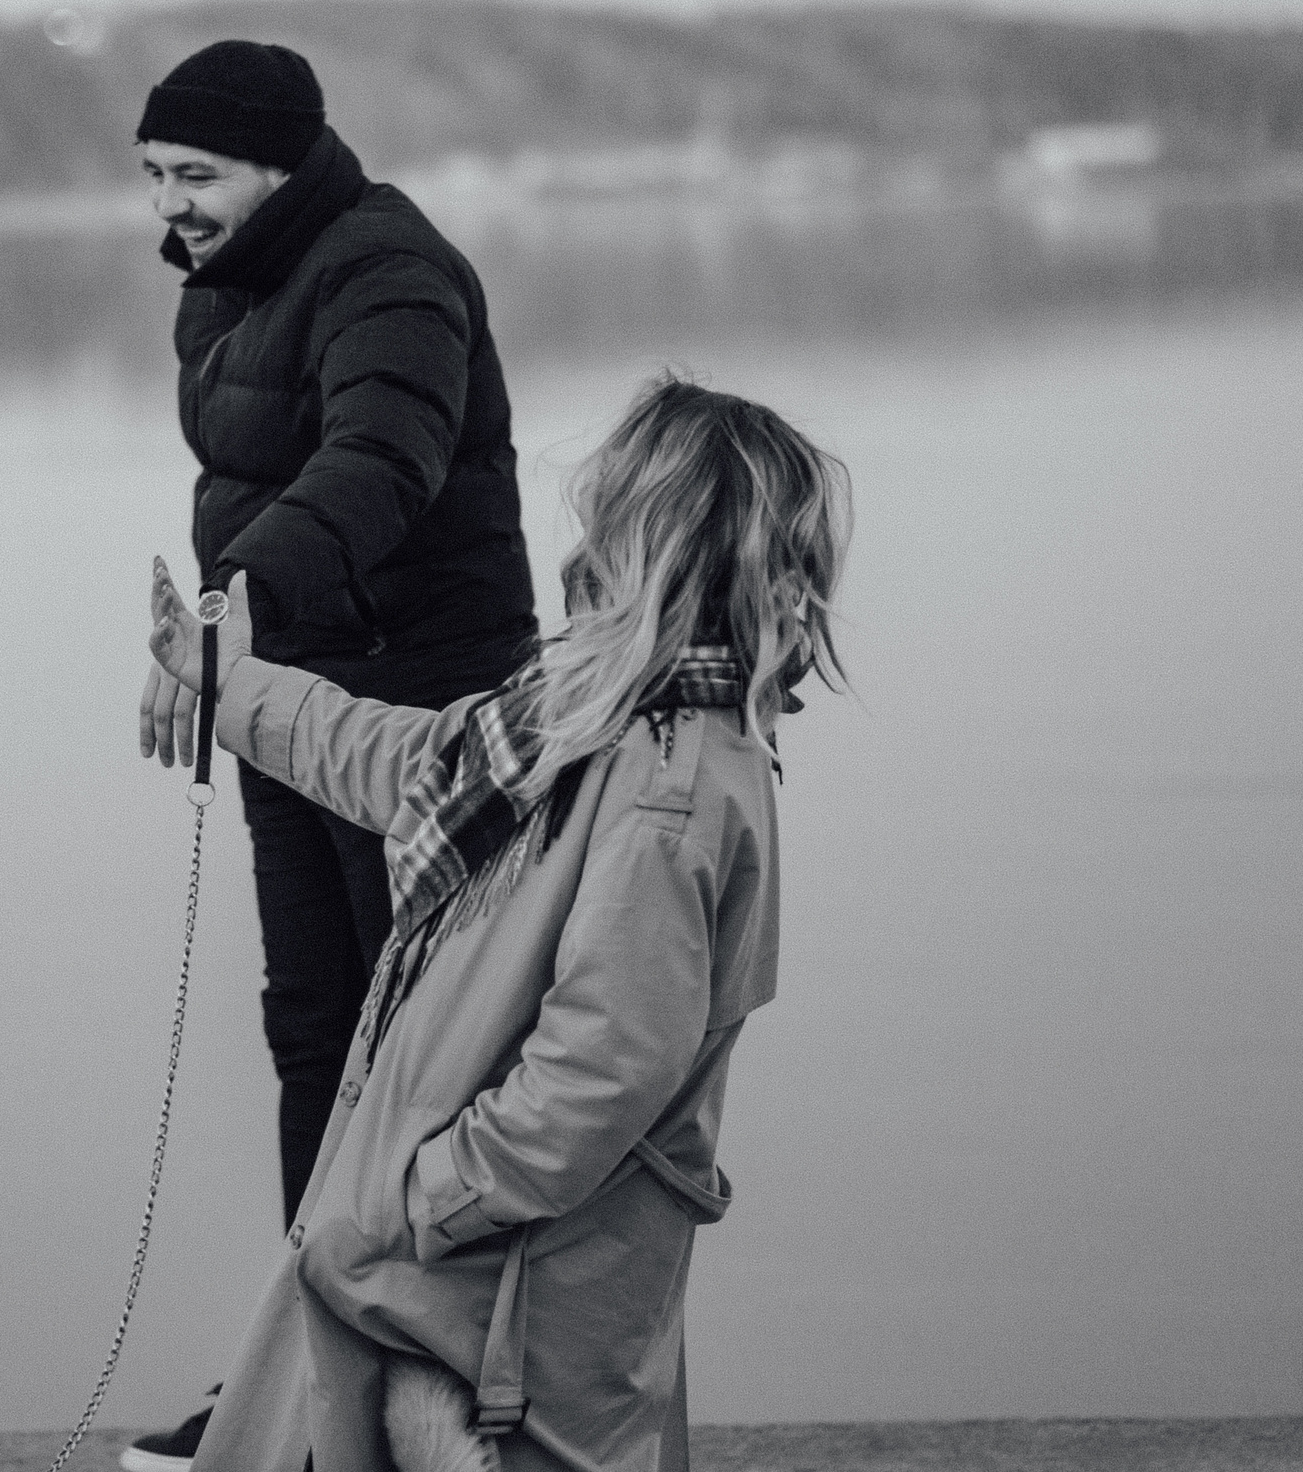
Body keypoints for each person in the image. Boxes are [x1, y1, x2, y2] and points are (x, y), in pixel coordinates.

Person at [143, 376, 849, 1472]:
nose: (583, 541)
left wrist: (414, 1196)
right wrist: (230, 686)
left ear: (653, 544)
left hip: (501, 1297)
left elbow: (598, 1072)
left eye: (606, 514)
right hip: (452, 1272)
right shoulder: (576, 719)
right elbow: (406, 761)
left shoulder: (669, 791)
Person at [127, 40, 540, 1471]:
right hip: (287, 701)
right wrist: (221, 664)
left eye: (197, 174)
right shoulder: (233, 281)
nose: (169, 203)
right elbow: (248, 482)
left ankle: (424, 1393)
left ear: (284, 164)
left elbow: (382, 459)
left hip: (421, 720)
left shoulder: (388, 272)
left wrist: (240, 613)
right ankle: (304, 1381)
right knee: (313, 1034)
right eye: (156, 175)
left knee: (410, 1061)